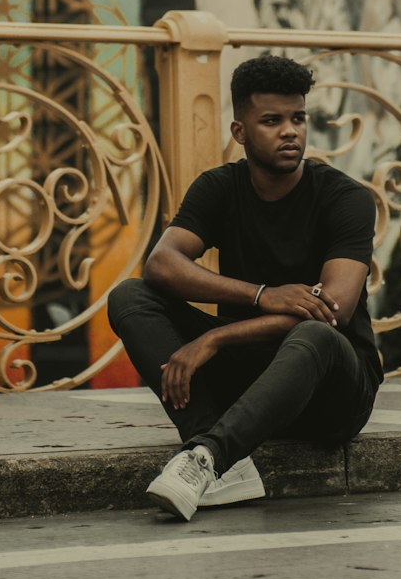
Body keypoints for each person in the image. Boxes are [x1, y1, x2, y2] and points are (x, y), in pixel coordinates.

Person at [106, 53, 382, 520]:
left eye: (298, 118)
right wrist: (261, 294)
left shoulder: (346, 198)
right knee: (130, 296)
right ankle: (217, 450)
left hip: (332, 392)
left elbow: (333, 310)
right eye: (272, 121)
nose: (290, 131)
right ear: (240, 132)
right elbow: (162, 263)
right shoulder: (219, 188)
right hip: (251, 377)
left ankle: (207, 458)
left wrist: (215, 336)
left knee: (315, 333)